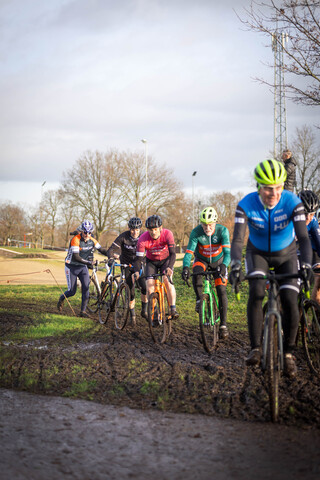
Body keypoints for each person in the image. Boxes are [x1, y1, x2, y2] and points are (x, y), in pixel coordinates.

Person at [229, 159, 312, 378]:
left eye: (278, 187)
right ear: (258, 186)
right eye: (267, 188)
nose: (273, 193)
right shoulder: (246, 204)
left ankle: (289, 355)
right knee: (256, 293)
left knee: (289, 299)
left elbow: (303, 238)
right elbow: (237, 240)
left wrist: (306, 264)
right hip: (257, 254)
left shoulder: (293, 202)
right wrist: (235, 264)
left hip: (287, 255)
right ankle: (256, 348)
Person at [181, 207, 231, 339]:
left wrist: (225, 265)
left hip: (219, 261)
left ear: (215, 223)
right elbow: (189, 253)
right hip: (202, 260)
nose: (207, 228)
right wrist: (185, 267)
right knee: (196, 272)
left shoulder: (222, 231)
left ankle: (223, 325)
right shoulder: (196, 232)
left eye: (210, 225)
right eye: (204, 225)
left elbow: (228, 254)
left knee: (221, 289)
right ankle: (199, 300)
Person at [57, 220, 109, 317]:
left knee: (86, 288)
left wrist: (112, 254)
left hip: (82, 267)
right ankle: (62, 298)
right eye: (85, 232)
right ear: (81, 231)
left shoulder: (92, 240)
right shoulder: (75, 240)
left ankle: (83, 311)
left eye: (89, 232)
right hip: (71, 266)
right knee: (72, 291)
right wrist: (89, 262)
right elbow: (76, 257)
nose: (87, 234)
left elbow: (102, 250)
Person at [133, 214, 179, 319]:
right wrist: (136, 271)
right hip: (151, 262)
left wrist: (170, 267)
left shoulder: (168, 234)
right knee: (149, 286)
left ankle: (173, 308)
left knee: (168, 281)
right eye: (150, 230)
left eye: (155, 229)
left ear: (160, 228)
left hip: (166, 261)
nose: (153, 232)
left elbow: (173, 253)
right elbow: (138, 259)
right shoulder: (143, 238)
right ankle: (154, 311)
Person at [106, 217, 147, 325]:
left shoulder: (144, 236)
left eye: (137, 230)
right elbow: (111, 249)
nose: (135, 232)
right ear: (129, 228)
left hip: (140, 264)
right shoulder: (123, 236)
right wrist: (110, 258)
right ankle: (132, 315)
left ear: (140, 229)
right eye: (133, 229)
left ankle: (144, 310)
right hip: (127, 265)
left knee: (144, 287)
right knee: (130, 290)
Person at [297, 190, 320, 305]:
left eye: (312, 214)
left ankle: (315, 309)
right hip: (293, 250)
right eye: (305, 213)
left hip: (310, 249)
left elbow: (318, 242)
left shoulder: (313, 221)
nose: (308, 218)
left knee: (317, 277)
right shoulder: (288, 218)